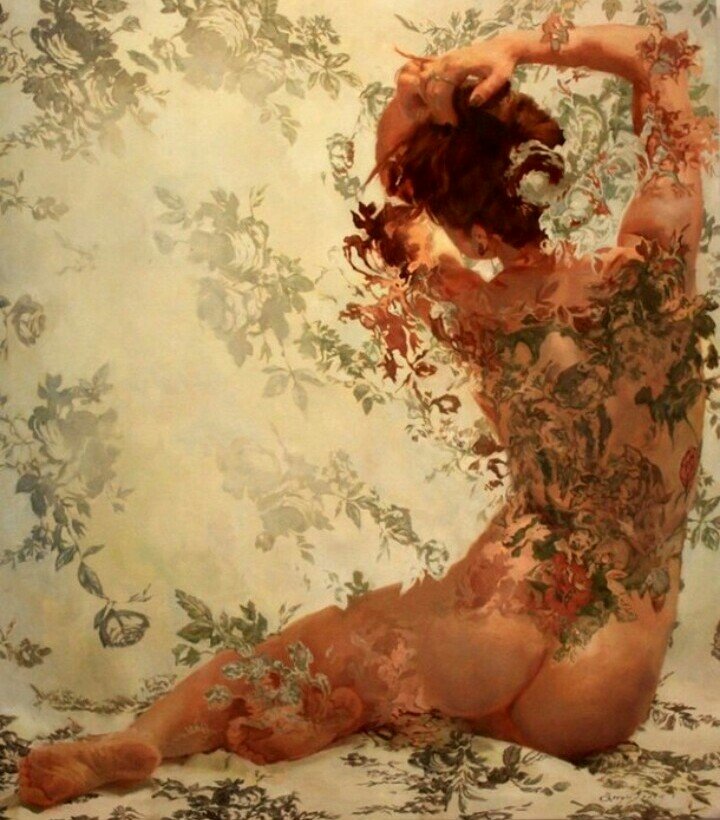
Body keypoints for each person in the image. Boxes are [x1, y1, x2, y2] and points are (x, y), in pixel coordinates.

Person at [18, 22, 709, 808]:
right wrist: (515, 49)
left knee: (330, 640)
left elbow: (404, 196)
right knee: (421, 675)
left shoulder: (474, 307)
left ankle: (151, 738)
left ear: (467, 221)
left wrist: (419, 103)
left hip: (492, 626)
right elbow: (659, 55)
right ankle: (357, 710)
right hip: (601, 682)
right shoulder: (655, 260)